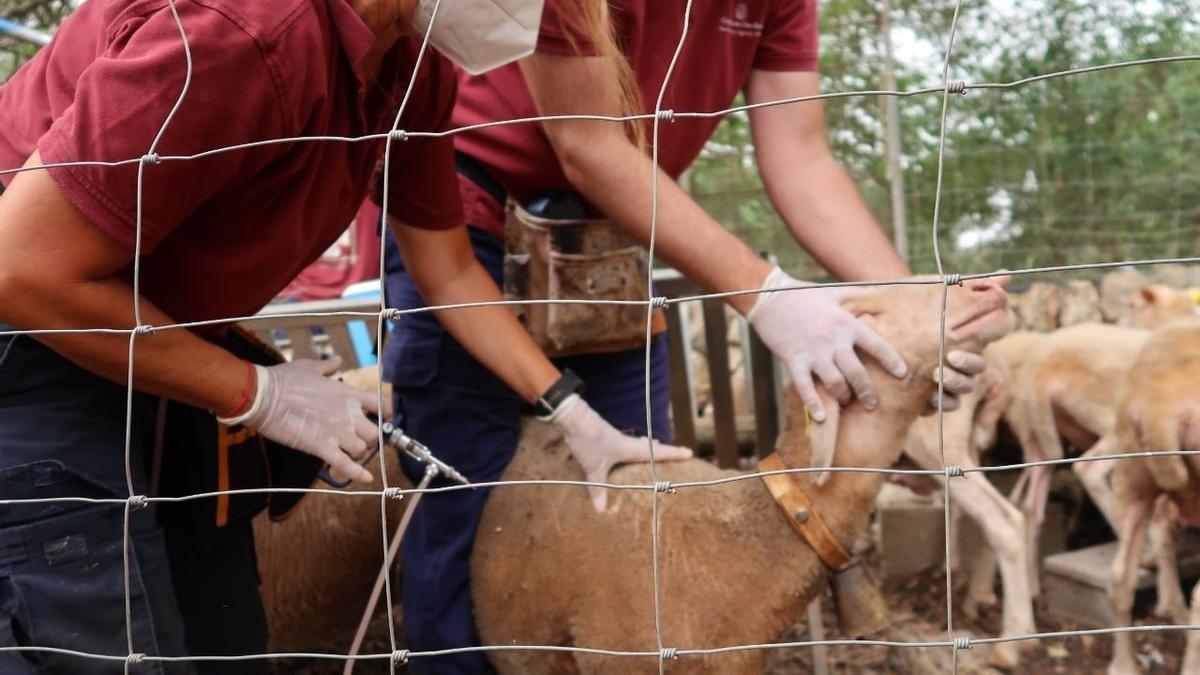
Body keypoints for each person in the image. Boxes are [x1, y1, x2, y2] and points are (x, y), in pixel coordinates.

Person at [0, 0, 685, 672]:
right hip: (33, 338)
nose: (540, 14)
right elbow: (19, 269)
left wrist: (568, 408)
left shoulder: (409, 64)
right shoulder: (247, 29)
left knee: (223, 638)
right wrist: (257, 392)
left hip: (150, 343)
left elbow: (446, 270)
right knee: (101, 634)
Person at [382, 1, 986, 673]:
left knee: (640, 507)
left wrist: (915, 320)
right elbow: (586, 143)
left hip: (615, 233)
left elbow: (803, 156)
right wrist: (771, 297)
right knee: (464, 493)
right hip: (467, 223)